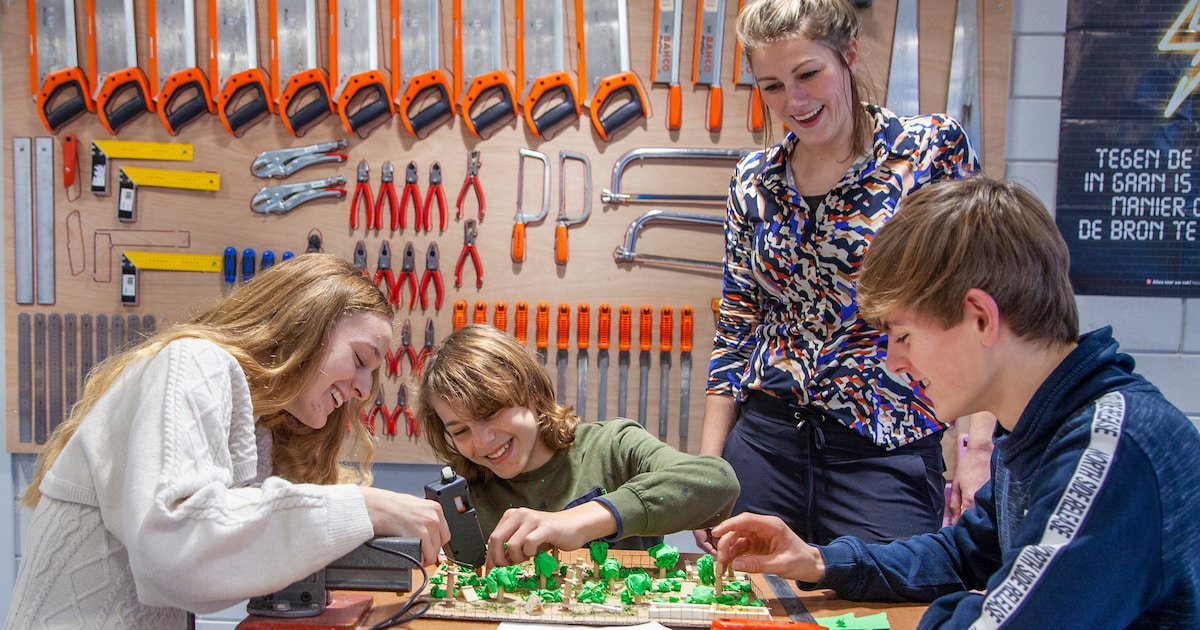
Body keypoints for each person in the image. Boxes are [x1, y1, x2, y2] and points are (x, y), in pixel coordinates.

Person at [712, 175, 1200, 628]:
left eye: (903, 336)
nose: (896, 363)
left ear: (981, 319)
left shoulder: (1110, 448)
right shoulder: (1038, 426)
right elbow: (964, 553)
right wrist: (818, 560)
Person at [5, 254, 451, 630]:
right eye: (359, 360)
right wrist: (366, 506)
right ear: (303, 325)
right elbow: (175, 553)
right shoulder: (194, 363)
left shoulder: (257, 422)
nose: (361, 389)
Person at [698, 0, 994, 551]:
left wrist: (976, 451)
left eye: (809, 74)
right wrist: (709, 470)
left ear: (849, 56)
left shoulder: (928, 151)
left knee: (884, 607)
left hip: (884, 446)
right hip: (764, 443)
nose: (796, 101)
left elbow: (977, 302)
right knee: (751, 611)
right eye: (773, 86)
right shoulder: (751, 181)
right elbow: (737, 326)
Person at [415, 324, 741, 569]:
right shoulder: (460, 494)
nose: (483, 442)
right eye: (461, 431)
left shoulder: (613, 446)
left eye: (490, 414)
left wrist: (584, 520)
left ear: (532, 392)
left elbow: (718, 481)